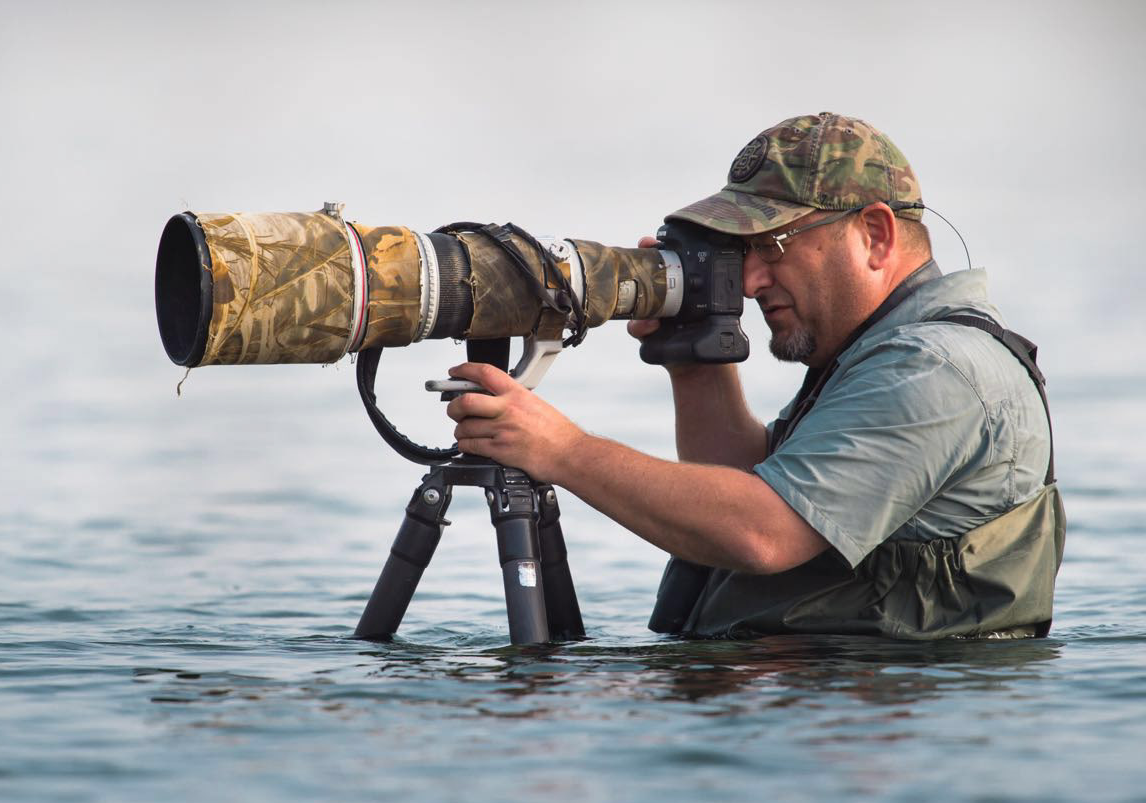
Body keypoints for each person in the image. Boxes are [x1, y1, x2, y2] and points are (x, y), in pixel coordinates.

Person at [444, 112, 1064, 640]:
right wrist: (694, 366)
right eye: (745, 253)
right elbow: (754, 486)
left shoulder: (933, 369)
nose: (750, 281)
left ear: (874, 235)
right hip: (817, 707)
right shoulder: (878, 352)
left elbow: (764, 531)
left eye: (776, 245)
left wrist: (563, 452)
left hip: (869, 737)